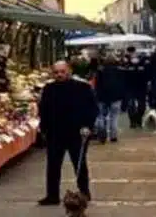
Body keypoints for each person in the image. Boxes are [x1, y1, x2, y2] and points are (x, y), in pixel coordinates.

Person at [36, 60, 97, 205]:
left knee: (80, 163)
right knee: (53, 165)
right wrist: (43, 128)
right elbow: (43, 110)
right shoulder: (49, 89)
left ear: (69, 71)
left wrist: (88, 126)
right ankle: (52, 195)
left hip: (77, 132)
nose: (59, 75)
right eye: (56, 72)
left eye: (62, 72)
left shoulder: (82, 87)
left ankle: (84, 192)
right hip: (55, 132)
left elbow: (92, 108)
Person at [93, 53, 127, 143]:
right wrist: (124, 98)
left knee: (101, 116)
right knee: (114, 117)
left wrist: (97, 95)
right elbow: (123, 85)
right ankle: (113, 136)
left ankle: (102, 133)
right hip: (116, 97)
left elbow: (97, 85)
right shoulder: (120, 71)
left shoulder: (100, 71)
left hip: (102, 97)